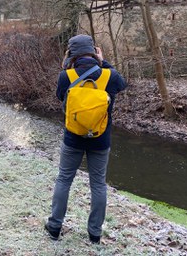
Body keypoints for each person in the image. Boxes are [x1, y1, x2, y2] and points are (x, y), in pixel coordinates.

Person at [45, 34, 127, 244]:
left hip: (73, 138)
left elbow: (60, 97)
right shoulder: (110, 75)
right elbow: (123, 84)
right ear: (94, 51)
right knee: (98, 184)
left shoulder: (66, 76)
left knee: (64, 179)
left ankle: (54, 227)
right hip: (101, 141)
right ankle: (95, 233)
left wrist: (66, 65)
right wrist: (104, 62)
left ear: (71, 54)